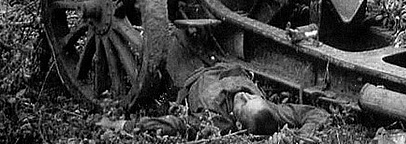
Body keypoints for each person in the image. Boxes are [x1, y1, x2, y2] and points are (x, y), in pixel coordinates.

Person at [135, 62, 330, 139]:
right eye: (252, 97)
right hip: (223, 61)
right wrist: (302, 138)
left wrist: (129, 125)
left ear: (237, 122)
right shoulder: (268, 111)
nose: (245, 95)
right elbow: (316, 113)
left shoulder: (216, 120)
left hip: (189, 72)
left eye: (244, 103)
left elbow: (178, 124)